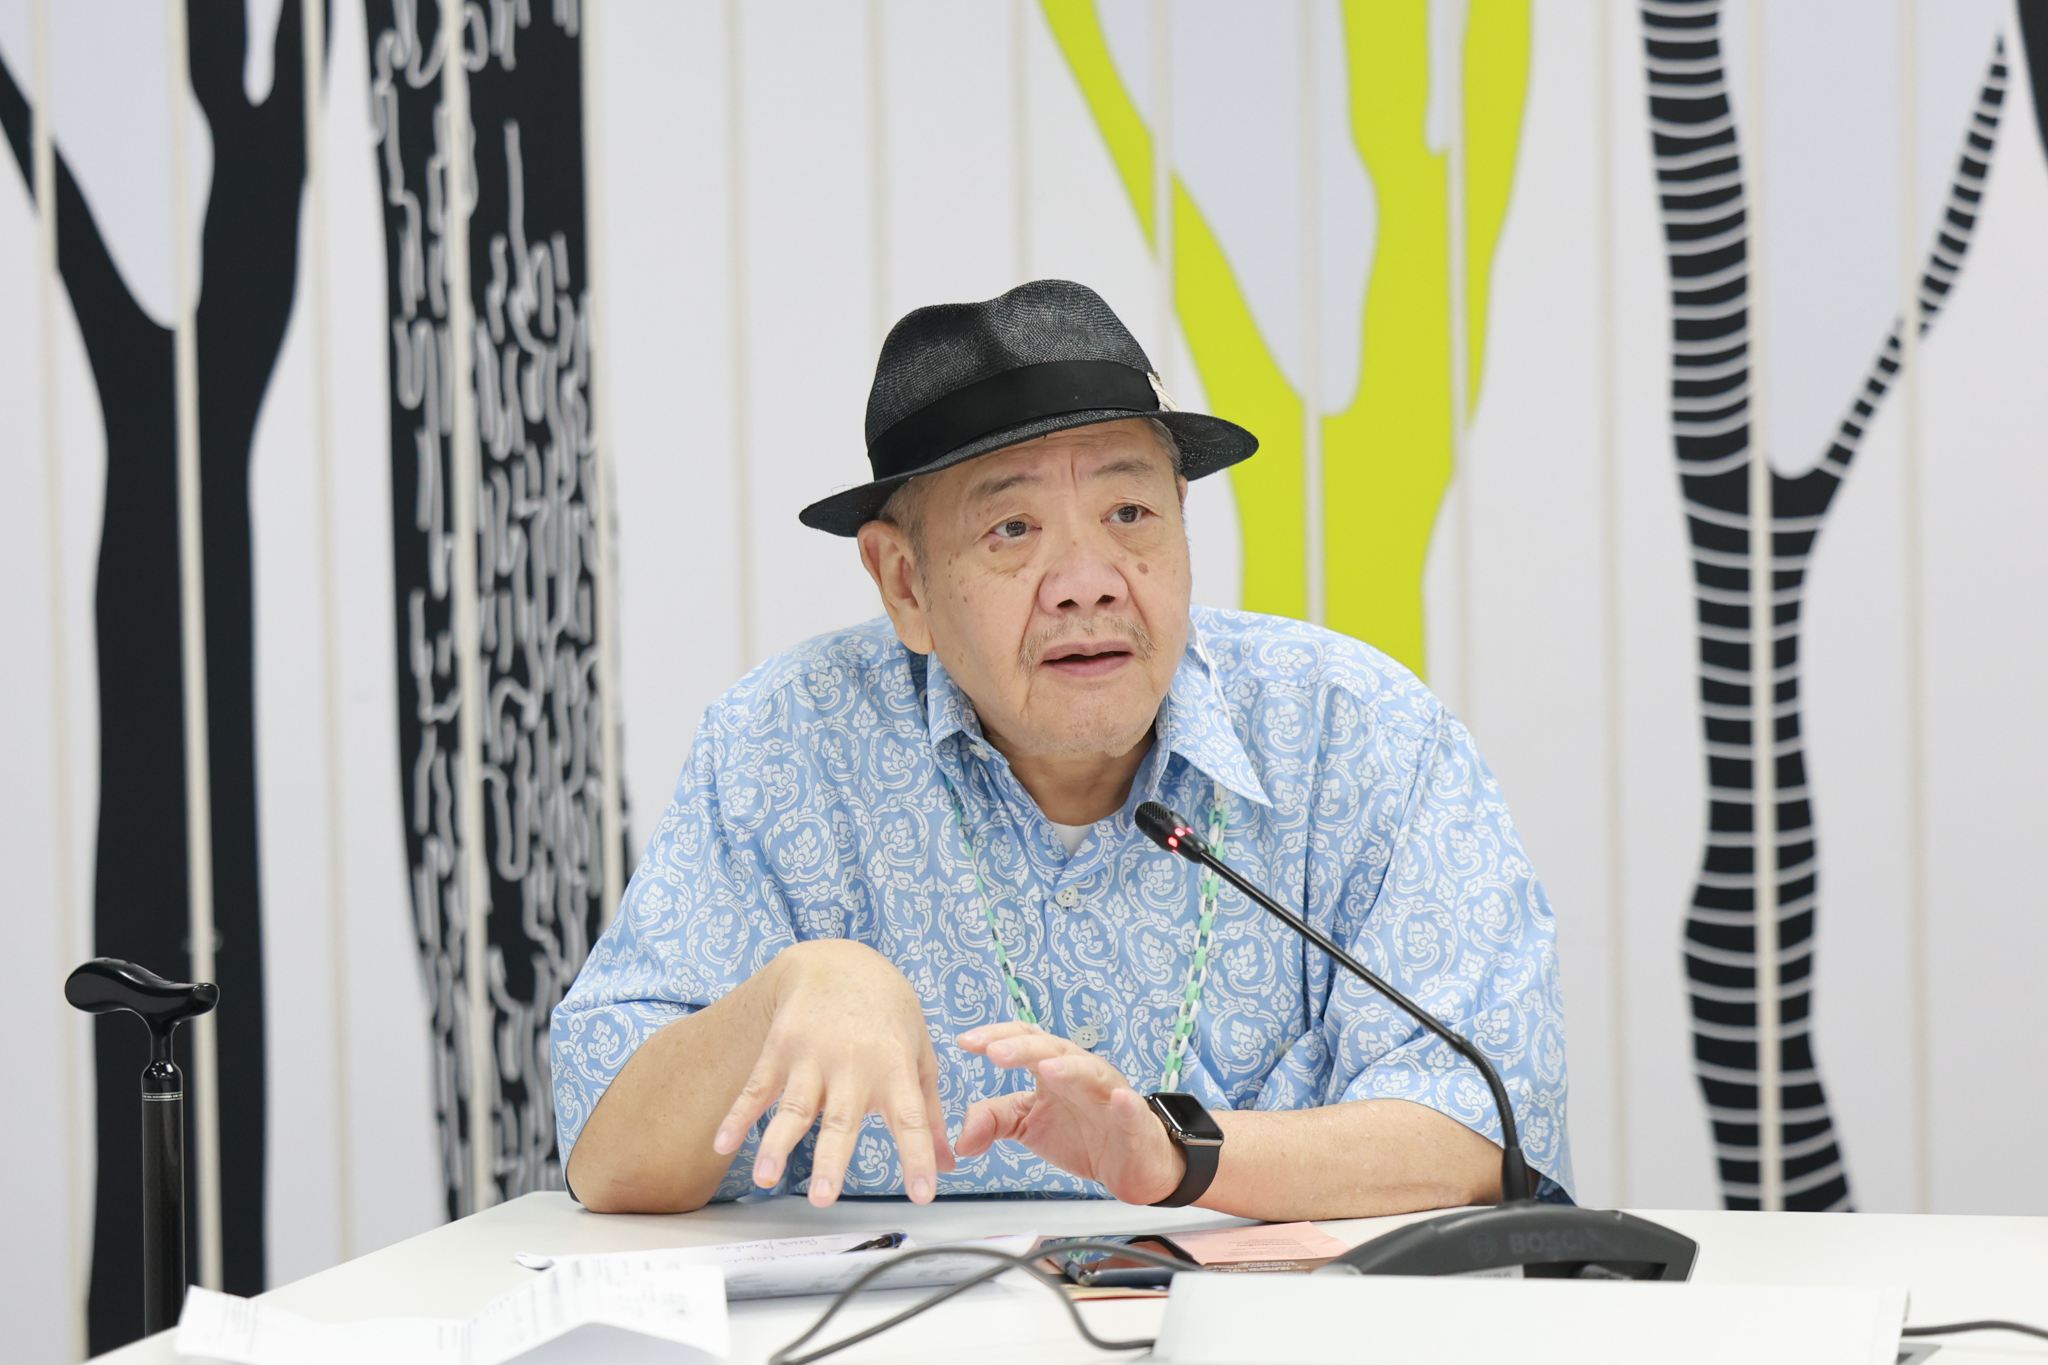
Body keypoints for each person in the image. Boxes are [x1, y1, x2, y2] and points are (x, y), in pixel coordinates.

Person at [551, 279, 1572, 1218]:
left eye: (1130, 513)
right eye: (1012, 529)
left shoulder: (1359, 736)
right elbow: (605, 1155)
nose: (1087, 581)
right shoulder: (785, 746)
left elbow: (1483, 1128)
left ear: (1182, 523)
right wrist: (780, 996)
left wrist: (1176, 1154)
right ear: (904, 582)